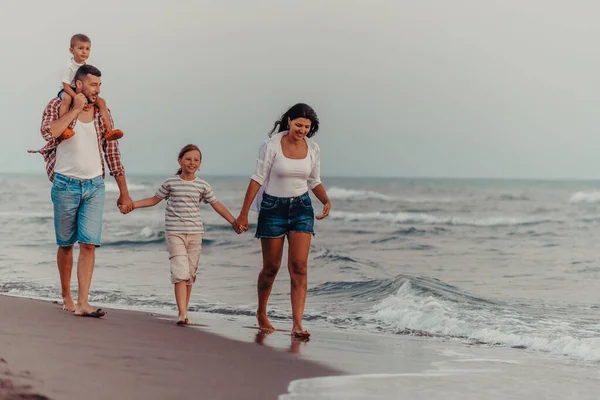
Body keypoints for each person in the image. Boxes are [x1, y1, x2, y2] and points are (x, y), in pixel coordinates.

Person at [28, 64, 134, 317]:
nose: (97, 90)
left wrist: (124, 192)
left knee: (89, 244)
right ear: (79, 85)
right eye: (93, 85)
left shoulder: (101, 111)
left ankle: (83, 302)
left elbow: (112, 152)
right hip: (65, 183)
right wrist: (75, 109)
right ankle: (67, 295)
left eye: (99, 85)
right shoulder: (57, 106)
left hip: (95, 185)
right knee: (66, 244)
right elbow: (49, 133)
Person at [235, 103, 331, 339]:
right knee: (271, 268)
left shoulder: (313, 148)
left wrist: (326, 200)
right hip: (272, 209)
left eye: (307, 127)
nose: (302, 130)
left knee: (299, 267)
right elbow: (257, 178)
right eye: (299, 124)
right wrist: (244, 213)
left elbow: (313, 180)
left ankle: (297, 324)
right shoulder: (271, 145)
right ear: (289, 120)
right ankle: (261, 312)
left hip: (301, 208)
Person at [121, 144, 241, 325]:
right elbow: (154, 200)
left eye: (196, 160)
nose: (192, 163)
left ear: (200, 164)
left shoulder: (202, 185)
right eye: (188, 159)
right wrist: (132, 205)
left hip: (195, 234)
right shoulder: (171, 183)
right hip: (175, 233)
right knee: (180, 272)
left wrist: (234, 221)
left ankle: (184, 310)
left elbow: (217, 205)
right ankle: (182, 314)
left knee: (190, 274)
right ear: (180, 161)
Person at [57, 33, 123, 141]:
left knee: (101, 102)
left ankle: (109, 130)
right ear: (71, 50)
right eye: (80, 48)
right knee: (66, 99)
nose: (84, 52)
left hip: (82, 89)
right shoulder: (68, 67)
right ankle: (65, 128)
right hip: (68, 90)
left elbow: (92, 80)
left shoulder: (89, 64)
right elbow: (66, 86)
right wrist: (76, 96)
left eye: (87, 49)